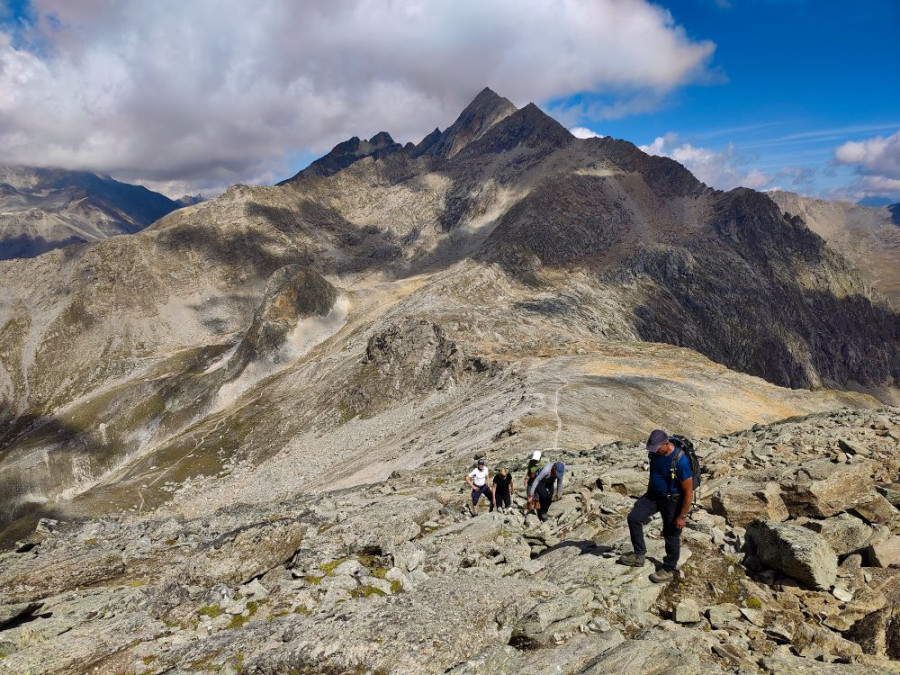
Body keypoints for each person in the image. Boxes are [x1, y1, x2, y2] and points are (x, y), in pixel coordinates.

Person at [618, 429, 693, 583]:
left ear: (667, 443)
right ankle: (639, 555)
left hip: (672, 500)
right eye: (653, 449)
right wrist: (645, 497)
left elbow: (688, 492)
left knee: (671, 534)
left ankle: (668, 569)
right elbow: (654, 475)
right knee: (634, 518)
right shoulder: (655, 454)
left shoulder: (681, 461)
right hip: (653, 495)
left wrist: (682, 516)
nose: (655, 451)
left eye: (658, 448)